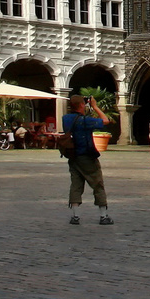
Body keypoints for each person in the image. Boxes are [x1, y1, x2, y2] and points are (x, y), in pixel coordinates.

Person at [62, 94, 113, 224]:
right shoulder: (85, 120)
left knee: (76, 185)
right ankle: (103, 216)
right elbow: (105, 121)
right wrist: (95, 106)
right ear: (81, 105)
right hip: (87, 156)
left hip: (73, 156)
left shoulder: (66, 118)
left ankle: (75, 216)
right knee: (97, 184)